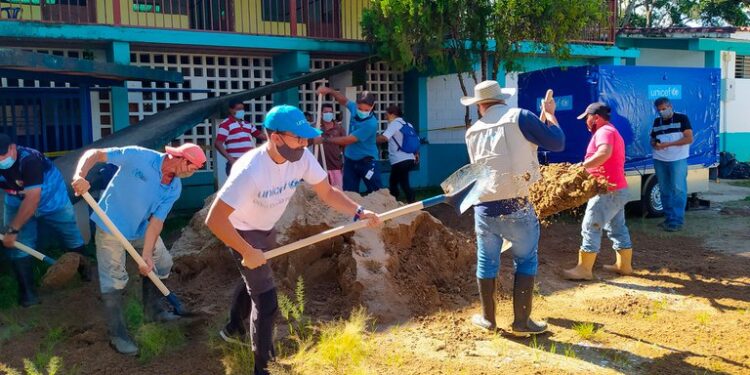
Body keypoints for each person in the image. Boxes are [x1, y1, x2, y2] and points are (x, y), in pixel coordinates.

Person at [204, 105, 380, 375]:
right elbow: (215, 220)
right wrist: (246, 250)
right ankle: (265, 368)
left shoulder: (302, 157)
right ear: (275, 138)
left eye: (306, 137)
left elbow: (327, 192)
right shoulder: (250, 170)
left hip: (266, 228)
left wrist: (358, 211)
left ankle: (233, 328)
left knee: (251, 279)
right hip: (240, 231)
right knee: (266, 300)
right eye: (298, 137)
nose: (305, 142)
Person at [71, 143, 206, 356]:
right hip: (110, 228)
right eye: (192, 167)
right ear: (179, 157)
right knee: (114, 280)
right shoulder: (138, 156)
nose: (192, 172)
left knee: (162, 262)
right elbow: (95, 154)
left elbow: (156, 223)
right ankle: (118, 335)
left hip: (141, 229)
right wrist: (80, 175)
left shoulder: (174, 187)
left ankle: (153, 310)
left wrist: (146, 256)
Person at [461, 80, 565, 336]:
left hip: (483, 207)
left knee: (486, 262)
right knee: (525, 260)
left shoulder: (472, 131)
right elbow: (557, 142)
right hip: (516, 204)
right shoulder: (521, 116)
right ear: (501, 99)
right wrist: (550, 115)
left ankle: (488, 319)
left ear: (480, 105)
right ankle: (521, 323)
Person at [0, 134, 90, 307]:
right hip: (15, 199)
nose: (0, 160)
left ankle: (86, 273)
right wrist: (14, 232)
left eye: (3, 155)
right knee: (20, 245)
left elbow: (32, 200)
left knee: (70, 234)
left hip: (52, 199)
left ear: (13, 147)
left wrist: (12, 229)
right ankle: (28, 294)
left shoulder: (30, 160)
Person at [563, 103, 633, 280]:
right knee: (617, 227)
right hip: (616, 189)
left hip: (607, 190)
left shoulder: (605, 132)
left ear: (595, 117)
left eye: (587, 118)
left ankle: (584, 269)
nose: (586, 122)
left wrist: (582, 166)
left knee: (590, 225)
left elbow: (604, 152)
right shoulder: (610, 130)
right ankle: (624, 266)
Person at [315, 87, 382, 195]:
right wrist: (330, 91)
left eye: (367, 110)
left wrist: (324, 139)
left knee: (377, 193)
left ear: (372, 107)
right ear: (356, 104)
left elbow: (348, 140)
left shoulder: (371, 124)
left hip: (368, 162)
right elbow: (344, 101)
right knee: (349, 194)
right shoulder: (354, 108)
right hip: (350, 161)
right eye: (360, 108)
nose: (363, 112)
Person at [650, 97, 693, 232]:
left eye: (664, 109)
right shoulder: (657, 121)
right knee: (664, 190)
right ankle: (669, 219)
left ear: (670, 106)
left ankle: (677, 221)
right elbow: (653, 138)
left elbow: (689, 138)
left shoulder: (682, 118)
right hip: (660, 159)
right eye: (659, 110)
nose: (662, 112)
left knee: (678, 189)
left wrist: (668, 144)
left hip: (678, 159)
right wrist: (655, 144)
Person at [376, 105, 418, 203]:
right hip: (410, 158)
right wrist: (416, 153)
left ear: (393, 114)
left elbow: (384, 138)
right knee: (399, 181)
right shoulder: (408, 124)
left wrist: (369, 140)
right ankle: (404, 201)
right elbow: (414, 140)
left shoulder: (394, 124)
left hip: (399, 160)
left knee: (397, 182)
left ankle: (403, 202)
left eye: (386, 114)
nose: (385, 116)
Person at [215, 100, 267, 176]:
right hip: (236, 162)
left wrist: (277, 136)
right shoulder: (226, 124)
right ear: (231, 110)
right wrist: (230, 159)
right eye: (238, 109)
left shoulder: (247, 124)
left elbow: (260, 135)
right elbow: (218, 143)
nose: (241, 111)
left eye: (242, 109)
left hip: (249, 163)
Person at [319, 103, 345, 189]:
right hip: (320, 168)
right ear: (321, 113)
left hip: (336, 166)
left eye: (330, 112)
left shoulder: (339, 129)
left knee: (338, 193)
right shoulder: (316, 127)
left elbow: (345, 146)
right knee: (322, 195)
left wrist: (346, 164)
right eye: (326, 112)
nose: (328, 114)